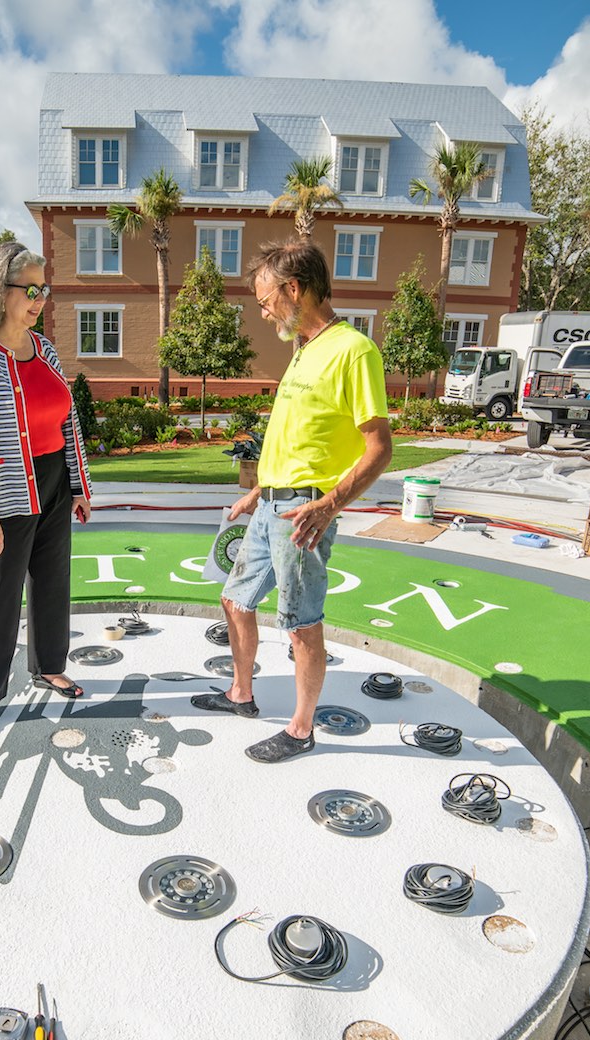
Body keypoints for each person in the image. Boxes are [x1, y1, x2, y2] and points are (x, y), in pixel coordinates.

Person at [192, 240, 392, 763]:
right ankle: (240, 694)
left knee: (301, 623)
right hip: (269, 507)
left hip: (304, 512)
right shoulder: (303, 350)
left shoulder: (352, 350)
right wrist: (257, 493)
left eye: (264, 300)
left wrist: (329, 506)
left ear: (294, 289)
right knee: (234, 600)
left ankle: (301, 729)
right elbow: (300, 439)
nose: (261, 312)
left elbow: (380, 447)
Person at [0, 242, 94, 734]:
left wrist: (77, 485)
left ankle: (49, 666)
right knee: (0, 593)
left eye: (43, 289)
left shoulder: (44, 349)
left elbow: (65, 422)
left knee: (53, 582)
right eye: (31, 289)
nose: (40, 300)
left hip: (51, 481)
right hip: (3, 492)